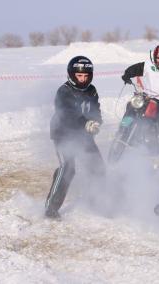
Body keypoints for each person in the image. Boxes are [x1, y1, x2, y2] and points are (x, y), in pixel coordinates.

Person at [45, 56, 106, 218]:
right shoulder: (64, 91)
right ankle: (51, 208)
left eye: (86, 76)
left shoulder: (91, 90)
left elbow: (96, 109)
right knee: (68, 168)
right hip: (62, 134)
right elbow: (67, 114)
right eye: (79, 76)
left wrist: (96, 122)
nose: (83, 79)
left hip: (83, 134)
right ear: (71, 75)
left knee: (98, 167)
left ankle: (97, 203)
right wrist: (85, 123)